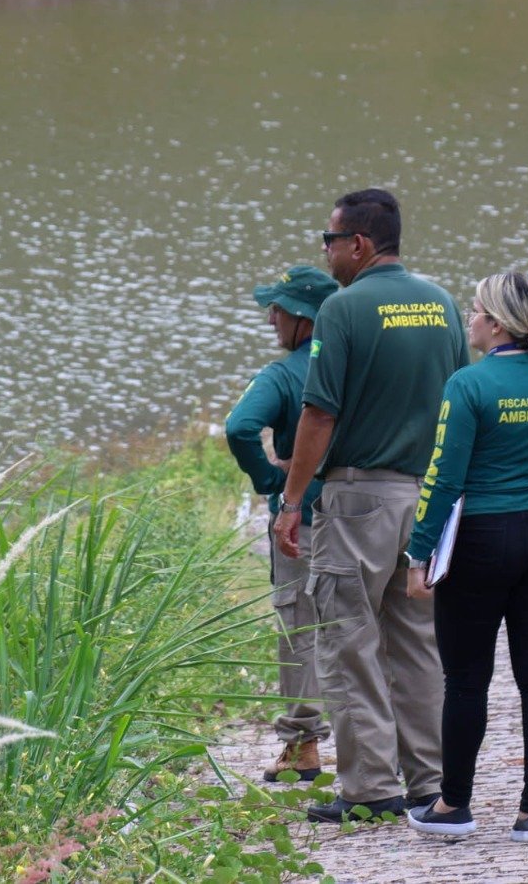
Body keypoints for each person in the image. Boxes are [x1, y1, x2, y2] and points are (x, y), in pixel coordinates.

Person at [272, 188, 469, 825]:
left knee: (348, 640)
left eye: (330, 241)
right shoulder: (441, 304)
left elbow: (319, 411)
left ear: (359, 243)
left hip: (358, 499)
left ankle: (367, 786)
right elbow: (462, 397)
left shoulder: (344, 308)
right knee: (417, 644)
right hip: (424, 496)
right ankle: (428, 779)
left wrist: (293, 499)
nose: (326, 253)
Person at [403, 272, 528, 844]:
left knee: (465, 680)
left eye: (476, 310)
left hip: (484, 536)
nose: (470, 318)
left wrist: (419, 554)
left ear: (499, 325)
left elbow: (443, 477)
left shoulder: (468, 385)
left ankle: (453, 806)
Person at [224, 265, 337, 785]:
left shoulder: (284, 374)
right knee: (369, 629)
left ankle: (303, 745)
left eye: (277, 309)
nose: (271, 318)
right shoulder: (354, 362)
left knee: (300, 628)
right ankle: (392, 747)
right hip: (365, 513)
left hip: (304, 520)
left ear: (300, 318)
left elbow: (240, 426)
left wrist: (269, 479)